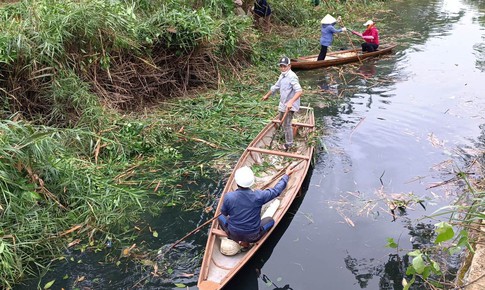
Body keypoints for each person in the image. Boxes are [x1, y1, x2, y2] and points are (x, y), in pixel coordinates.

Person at [218, 165, 296, 248]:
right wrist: (286, 175)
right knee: (270, 221)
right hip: (253, 237)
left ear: (236, 182)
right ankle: (245, 242)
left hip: (233, 234)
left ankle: (238, 240)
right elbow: (276, 191)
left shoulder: (229, 196)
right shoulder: (258, 196)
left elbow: (224, 213)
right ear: (252, 182)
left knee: (220, 217)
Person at [262, 56, 303, 151]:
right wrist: (267, 95)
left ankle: (289, 144)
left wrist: (291, 102)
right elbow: (276, 87)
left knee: (287, 124)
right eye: (281, 66)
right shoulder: (282, 75)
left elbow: (299, 91)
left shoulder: (292, 77)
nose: (283, 68)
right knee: (281, 119)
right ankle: (285, 134)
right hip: (283, 103)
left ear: (289, 66)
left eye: (284, 66)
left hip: (290, 105)